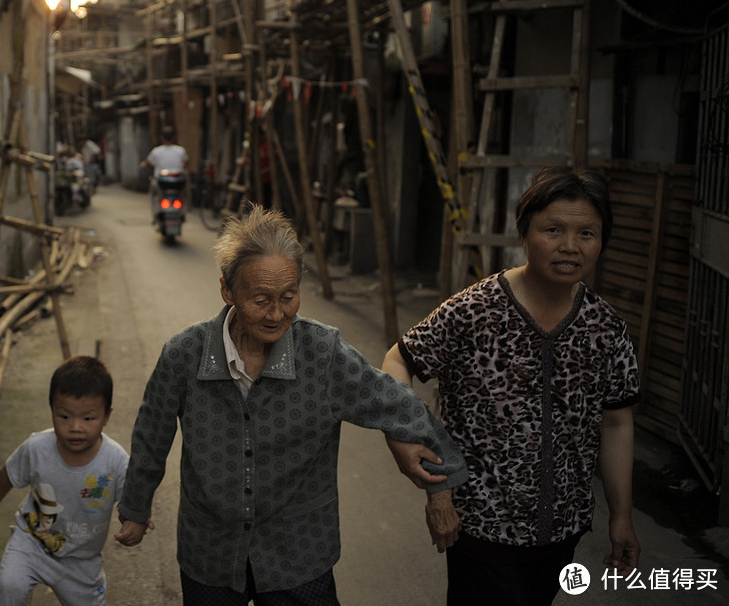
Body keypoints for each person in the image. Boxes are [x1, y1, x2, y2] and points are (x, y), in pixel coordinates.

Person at [114, 204, 468, 605]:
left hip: (299, 556)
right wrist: (136, 507)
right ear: (227, 291)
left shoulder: (323, 352)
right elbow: (151, 435)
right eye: (261, 298)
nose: (277, 313)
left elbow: (398, 405)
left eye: (289, 296)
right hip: (209, 551)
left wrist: (442, 489)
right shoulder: (183, 354)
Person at [381, 166, 641, 605]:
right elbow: (398, 360)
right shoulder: (475, 310)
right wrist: (408, 441)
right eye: (553, 229)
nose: (569, 247)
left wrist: (622, 516)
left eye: (587, 234)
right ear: (524, 232)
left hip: (562, 530)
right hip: (481, 525)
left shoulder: (606, 328)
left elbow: (616, 424)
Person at [0, 356, 132, 606]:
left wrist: (135, 522)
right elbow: (9, 473)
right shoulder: (37, 448)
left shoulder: (116, 462)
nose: (76, 428)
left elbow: (131, 501)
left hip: (81, 558)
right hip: (32, 542)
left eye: (89, 418)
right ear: (51, 409)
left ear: (106, 416)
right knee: (9, 587)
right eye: (65, 416)